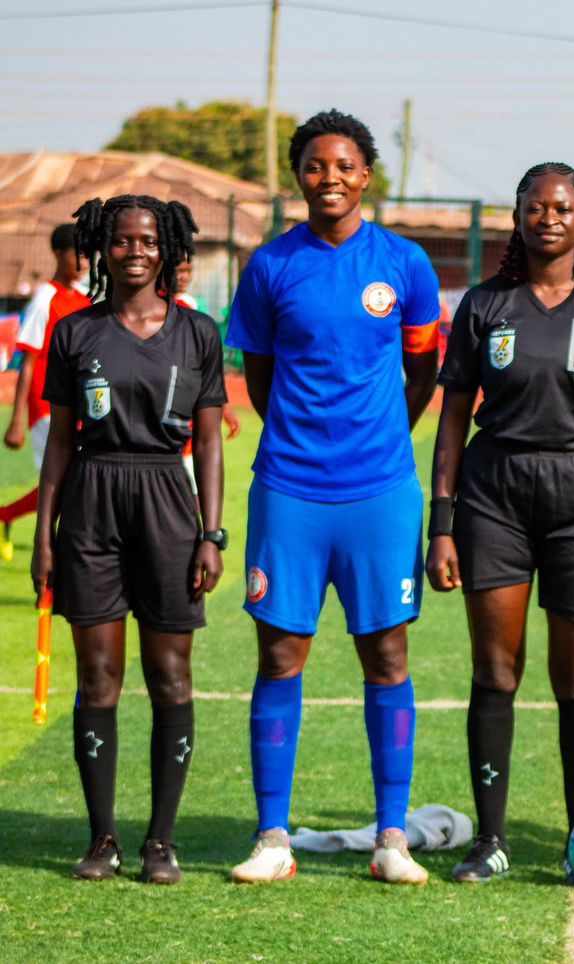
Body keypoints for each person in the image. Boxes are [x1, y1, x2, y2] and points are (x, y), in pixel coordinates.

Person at [225, 110, 441, 885]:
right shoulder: (270, 265)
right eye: (315, 165)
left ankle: (393, 836)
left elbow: (423, 369)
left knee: (386, 653)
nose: (330, 178)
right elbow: (256, 374)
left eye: (344, 165)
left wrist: (385, 433)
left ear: (366, 174)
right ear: (299, 176)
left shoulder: (406, 263)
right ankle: (273, 837)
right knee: (282, 651)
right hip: (289, 487)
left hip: (381, 489)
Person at [428, 162, 574, 883]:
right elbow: (454, 417)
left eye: (563, 208)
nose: (549, 217)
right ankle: (489, 839)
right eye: (536, 206)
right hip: (495, 493)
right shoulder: (485, 305)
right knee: (495, 670)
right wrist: (442, 523)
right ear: (517, 216)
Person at [31, 195, 226, 883]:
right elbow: (59, 441)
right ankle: (103, 838)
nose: (134, 251)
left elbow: (208, 443)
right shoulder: (75, 333)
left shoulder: (197, 333)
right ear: (100, 248)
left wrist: (212, 533)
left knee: (170, 676)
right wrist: (46, 533)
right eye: (121, 240)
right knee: (99, 678)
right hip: (91, 502)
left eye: (147, 240)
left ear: (167, 249)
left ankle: (161, 842)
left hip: (169, 506)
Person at [0, 224, 91, 560]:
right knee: (63, 477)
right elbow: (28, 360)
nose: (83, 261)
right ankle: (58, 554)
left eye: (87, 253)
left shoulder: (85, 300)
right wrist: (17, 420)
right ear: (58, 253)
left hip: (78, 402)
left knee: (73, 477)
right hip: (46, 402)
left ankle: (6, 515)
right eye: (76, 253)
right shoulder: (45, 298)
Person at [172, 259, 240, 489]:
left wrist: (224, 405)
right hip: (159, 413)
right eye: (179, 271)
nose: (184, 277)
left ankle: (201, 526)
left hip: (186, 408)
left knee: (194, 487)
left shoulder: (189, 306)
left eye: (188, 271)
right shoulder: (149, 307)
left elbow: (206, 361)